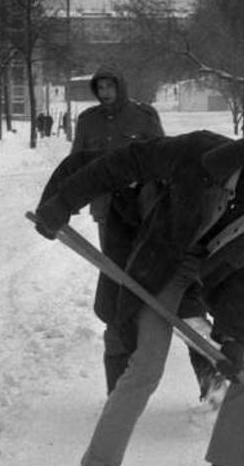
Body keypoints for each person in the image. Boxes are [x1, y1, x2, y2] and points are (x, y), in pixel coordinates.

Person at [33, 125, 244, 466]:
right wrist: (63, 202)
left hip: (225, 267)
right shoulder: (199, 155)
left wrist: (231, 337)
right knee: (147, 364)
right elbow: (122, 163)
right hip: (165, 261)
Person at [46, 67, 164, 392]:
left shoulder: (143, 116)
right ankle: (121, 327)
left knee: (147, 271)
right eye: (101, 87)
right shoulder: (88, 121)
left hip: (144, 208)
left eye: (111, 86)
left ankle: (145, 325)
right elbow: (78, 163)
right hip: (108, 211)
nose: (106, 92)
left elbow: (163, 156)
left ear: (121, 87)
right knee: (116, 272)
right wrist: (65, 203)